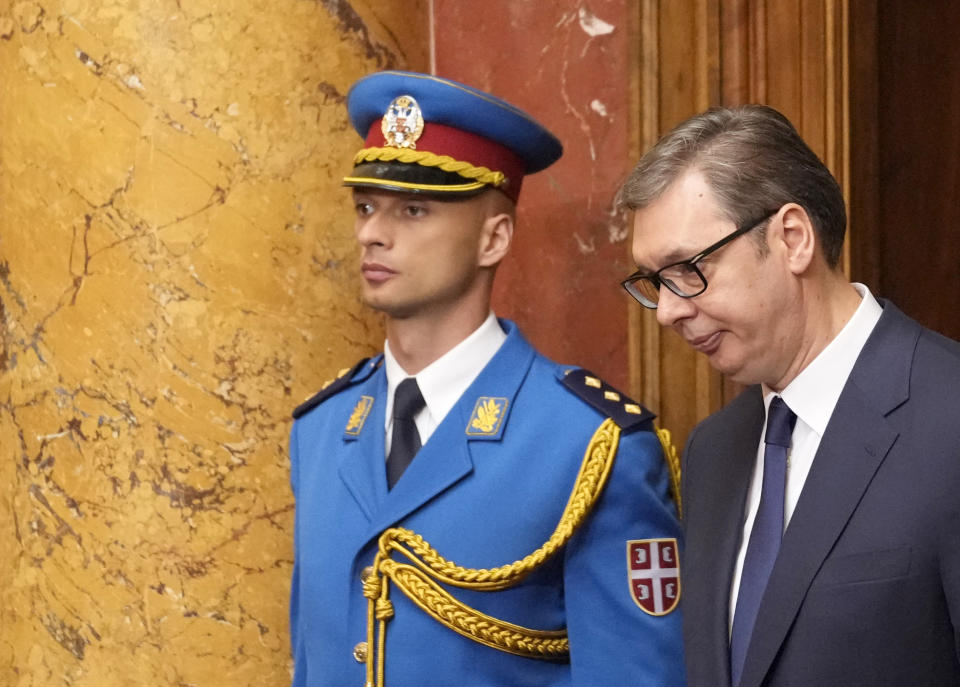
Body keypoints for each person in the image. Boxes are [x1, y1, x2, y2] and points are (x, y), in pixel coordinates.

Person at [288, 70, 685, 687]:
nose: (372, 232)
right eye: (366, 207)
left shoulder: (588, 446)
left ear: (493, 237)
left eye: (413, 210)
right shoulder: (318, 431)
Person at [615, 103, 960, 687]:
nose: (668, 310)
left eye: (687, 269)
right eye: (653, 282)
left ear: (792, 239)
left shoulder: (947, 418)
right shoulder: (714, 450)